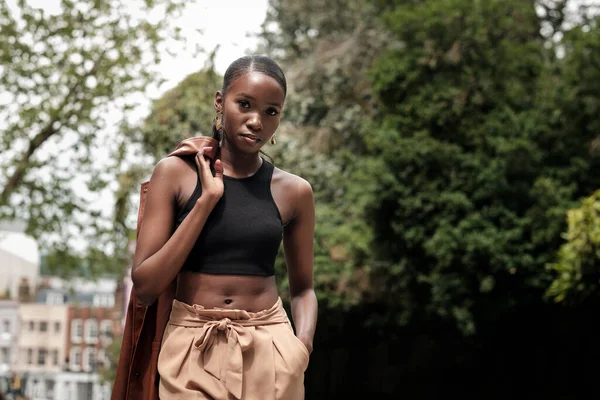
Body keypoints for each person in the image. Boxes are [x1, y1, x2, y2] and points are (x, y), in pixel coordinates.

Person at [130, 55, 318, 400]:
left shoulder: (294, 192)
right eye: (244, 104)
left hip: (272, 347)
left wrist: (299, 351)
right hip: (192, 346)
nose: (256, 121)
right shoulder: (175, 174)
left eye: (271, 112)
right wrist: (205, 203)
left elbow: (304, 289)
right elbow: (145, 285)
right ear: (220, 102)